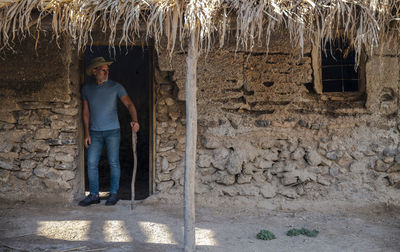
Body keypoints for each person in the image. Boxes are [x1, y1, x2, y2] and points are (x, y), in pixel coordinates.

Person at [79, 57, 140, 206]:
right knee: (92, 162)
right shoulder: (87, 89)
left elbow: (130, 104)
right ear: (95, 71)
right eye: (103, 70)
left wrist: (135, 121)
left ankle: (113, 194)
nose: (106, 73)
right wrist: (86, 133)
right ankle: (94, 195)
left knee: (113, 162)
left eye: (107, 70)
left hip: (113, 131)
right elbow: (85, 112)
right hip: (94, 132)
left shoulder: (116, 87)